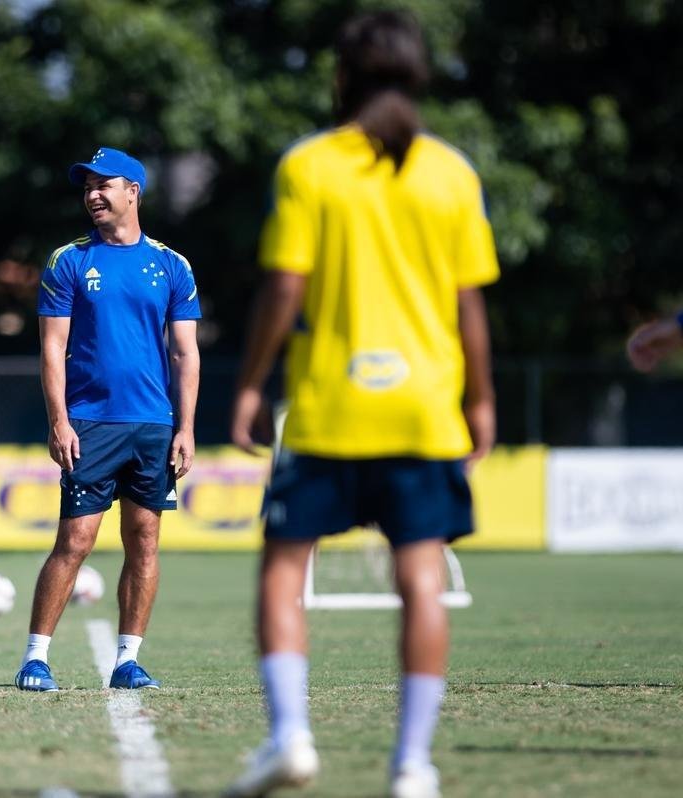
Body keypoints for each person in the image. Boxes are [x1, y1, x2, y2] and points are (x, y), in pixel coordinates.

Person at [225, 11, 499, 798]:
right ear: (419, 75)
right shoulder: (452, 173)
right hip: (421, 411)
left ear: (341, 77)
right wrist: (481, 399)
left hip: (328, 407)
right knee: (421, 578)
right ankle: (412, 764)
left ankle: (291, 739)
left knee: (284, 571)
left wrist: (249, 382)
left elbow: (284, 286)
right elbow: (468, 304)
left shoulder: (310, 166)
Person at [14, 147, 202, 692]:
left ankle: (128, 660)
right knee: (75, 541)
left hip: (152, 426)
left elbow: (185, 353)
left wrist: (186, 428)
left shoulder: (172, 264)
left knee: (144, 539)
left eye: (104, 185)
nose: (93, 195)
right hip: (91, 423)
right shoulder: (68, 260)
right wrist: (60, 420)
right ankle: (35, 658)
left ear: (133, 192)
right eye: (87, 187)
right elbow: (52, 349)